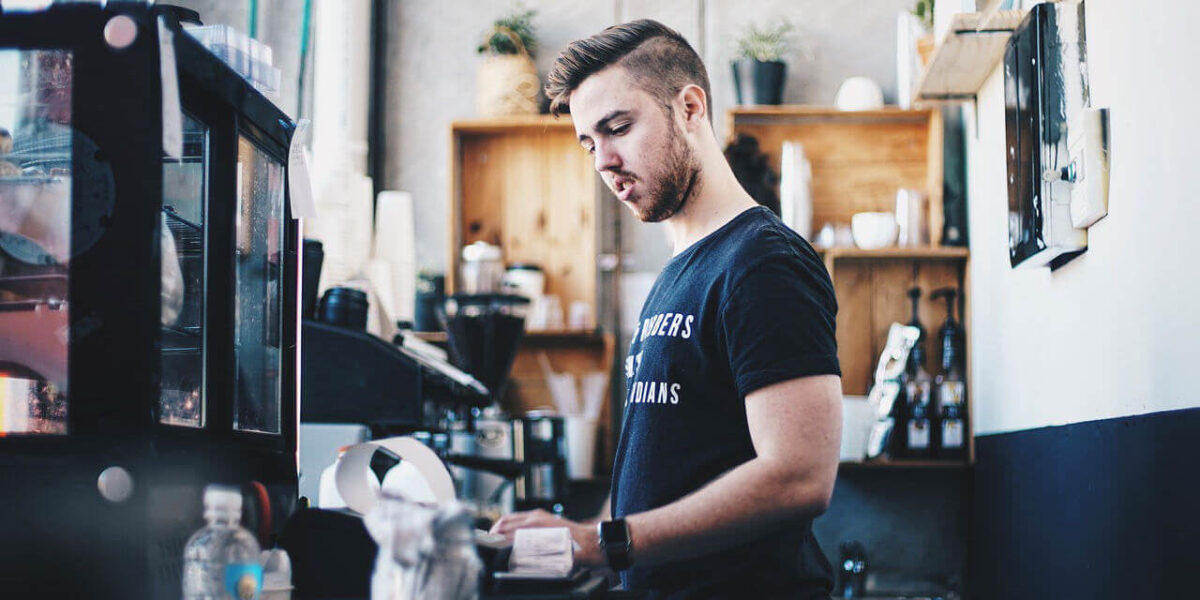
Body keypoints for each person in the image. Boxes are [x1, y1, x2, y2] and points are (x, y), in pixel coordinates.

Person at [490, 19, 843, 599]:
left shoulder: (761, 263)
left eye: (618, 127)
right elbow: (657, 470)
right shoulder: (679, 272)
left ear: (689, 107)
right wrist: (589, 548)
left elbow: (800, 477)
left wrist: (606, 542)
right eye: (588, 143)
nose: (603, 160)